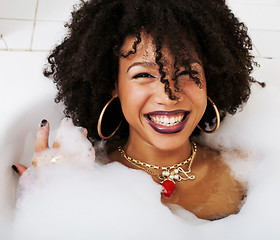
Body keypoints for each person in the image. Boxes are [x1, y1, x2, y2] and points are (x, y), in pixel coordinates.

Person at [12, 0, 262, 220]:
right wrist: (53, 201)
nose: (169, 95)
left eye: (187, 72)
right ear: (114, 85)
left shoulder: (249, 170)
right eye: (143, 74)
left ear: (210, 80)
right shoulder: (84, 178)